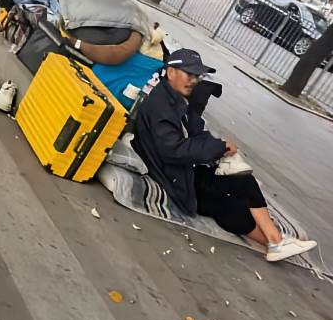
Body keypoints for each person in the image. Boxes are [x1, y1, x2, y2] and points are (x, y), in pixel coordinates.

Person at [132, 48, 317, 263]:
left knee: (243, 180)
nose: (194, 80)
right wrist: (217, 148)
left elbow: (196, 131)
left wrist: (218, 147)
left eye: (197, 76)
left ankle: (276, 240)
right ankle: (273, 243)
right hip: (173, 178)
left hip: (186, 169)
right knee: (226, 205)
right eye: (189, 74)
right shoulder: (161, 106)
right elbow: (173, 151)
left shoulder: (177, 99)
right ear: (171, 72)